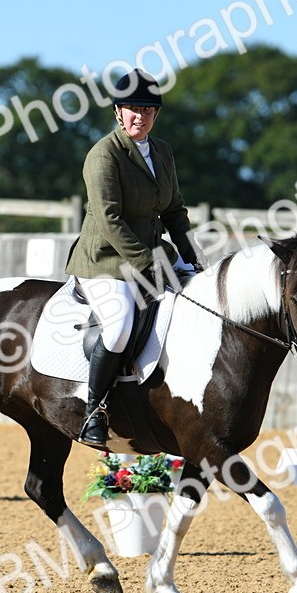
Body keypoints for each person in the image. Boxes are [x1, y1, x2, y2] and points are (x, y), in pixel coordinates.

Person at [64, 69, 203, 445]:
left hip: (152, 256)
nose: (139, 116)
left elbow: (174, 210)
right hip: (105, 262)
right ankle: (95, 410)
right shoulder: (102, 155)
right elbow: (110, 220)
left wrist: (192, 259)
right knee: (121, 321)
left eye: (147, 110)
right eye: (132, 109)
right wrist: (148, 266)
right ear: (117, 112)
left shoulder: (162, 151)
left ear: (156, 114)